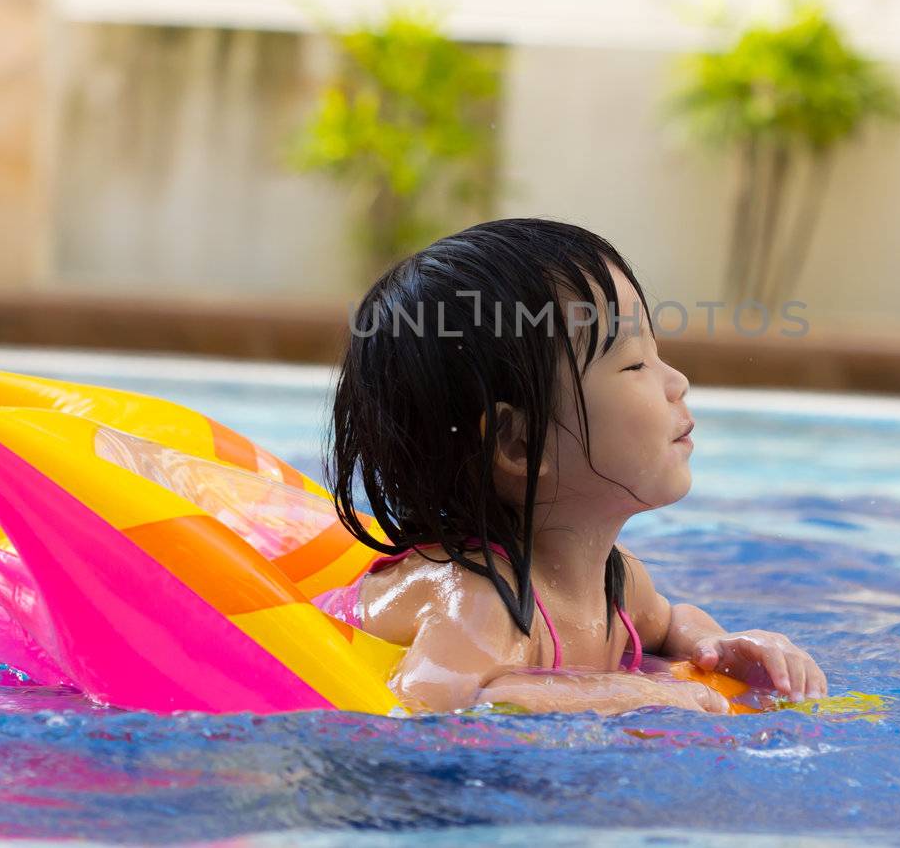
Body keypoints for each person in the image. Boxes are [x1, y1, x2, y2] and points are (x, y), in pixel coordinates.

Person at [311, 218, 828, 714]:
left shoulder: (618, 580)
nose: (677, 382)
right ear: (518, 443)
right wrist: (618, 694)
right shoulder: (479, 596)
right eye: (635, 364)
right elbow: (430, 700)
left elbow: (669, 622)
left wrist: (716, 643)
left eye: (658, 352)